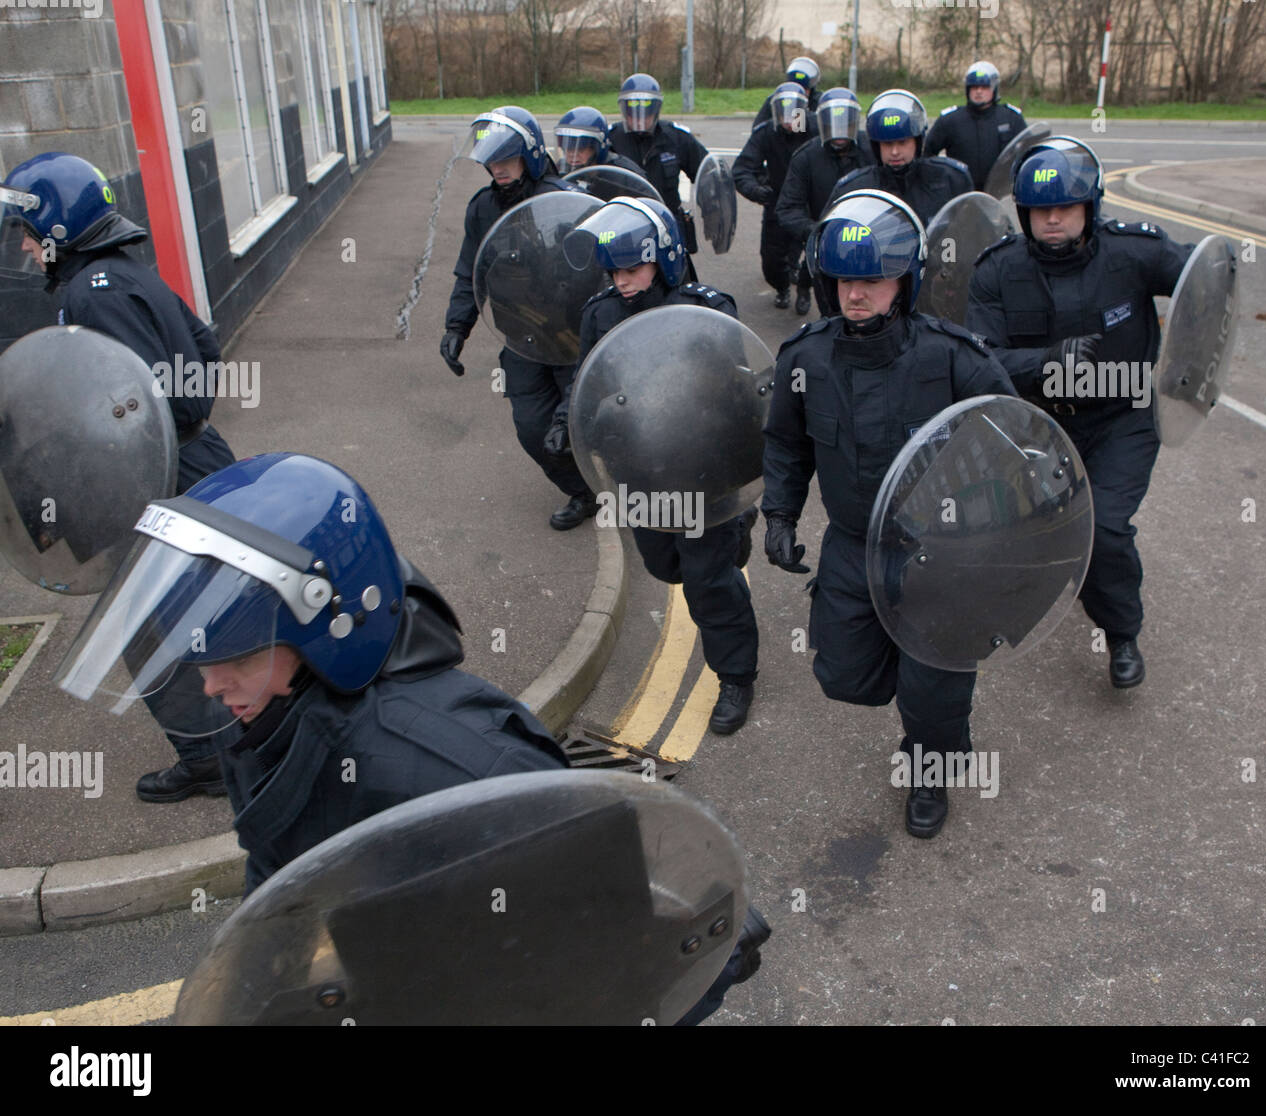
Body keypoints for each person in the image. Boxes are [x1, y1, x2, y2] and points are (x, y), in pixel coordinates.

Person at [54, 450, 766, 1022]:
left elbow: (622, 940)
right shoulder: (266, 719)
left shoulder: (465, 770)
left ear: (327, 629)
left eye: (233, 658)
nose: (210, 685)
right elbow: (280, 877)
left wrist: (697, 956)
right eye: (200, 661)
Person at [762, 190, 1016, 838]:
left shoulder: (954, 358)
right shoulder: (805, 359)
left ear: (906, 280)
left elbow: (1017, 442)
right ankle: (920, 691)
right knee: (843, 675)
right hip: (853, 544)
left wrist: (998, 544)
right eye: (846, 279)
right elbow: (787, 443)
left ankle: (928, 767)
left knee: (933, 692)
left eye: (873, 278)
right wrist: (781, 516)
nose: (857, 293)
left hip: (942, 555)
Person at [2, 151, 238, 804]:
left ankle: (211, 760)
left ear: (56, 224)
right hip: (194, 462)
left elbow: (131, 407)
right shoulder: (124, 274)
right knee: (200, 611)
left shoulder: (88, 293)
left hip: (155, 482)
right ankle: (243, 736)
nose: (22, 244)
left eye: (28, 229)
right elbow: (204, 347)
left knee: (146, 630)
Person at [967, 137, 1193, 689]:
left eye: (1065, 207)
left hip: (1124, 415)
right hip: (1041, 426)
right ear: (1023, 212)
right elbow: (980, 357)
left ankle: (1122, 634)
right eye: (1040, 209)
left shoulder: (1133, 252)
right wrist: (1046, 361)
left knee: (1105, 529)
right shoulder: (997, 271)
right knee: (1039, 531)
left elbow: (1202, 280)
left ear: (1089, 207)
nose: (1052, 219)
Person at [555, 197, 761, 735]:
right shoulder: (601, 313)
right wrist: (566, 420)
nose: (621, 281)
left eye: (632, 268)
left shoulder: (706, 311)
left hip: (702, 469)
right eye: (614, 271)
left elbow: (741, 394)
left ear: (664, 258)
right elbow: (586, 381)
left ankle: (735, 674)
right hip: (640, 468)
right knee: (662, 566)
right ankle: (735, 531)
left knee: (706, 579)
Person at [439, 106, 598, 531]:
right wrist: (457, 327)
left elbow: (594, 271)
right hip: (521, 338)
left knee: (586, 423)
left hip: (570, 337)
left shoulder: (562, 201)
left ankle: (621, 486)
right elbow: (469, 270)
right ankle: (582, 492)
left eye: (507, 159)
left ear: (528, 155)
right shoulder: (482, 208)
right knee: (532, 430)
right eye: (492, 161)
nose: (498, 169)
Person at [774, 87, 876, 317]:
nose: (839, 131)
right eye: (832, 122)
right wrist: (817, 232)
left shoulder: (873, 149)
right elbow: (787, 207)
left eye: (845, 122)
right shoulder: (806, 156)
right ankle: (803, 285)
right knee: (832, 312)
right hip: (826, 245)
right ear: (821, 122)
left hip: (873, 242)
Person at [827, 89, 973, 227]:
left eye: (903, 142)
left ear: (918, 141)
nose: (895, 151)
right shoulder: (854, 188)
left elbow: (970, 231)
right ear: (876, 146)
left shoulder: (950, 178)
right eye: (887, 144)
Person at [733, 81, 817, 310]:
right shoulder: (766, 133)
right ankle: (781, 286)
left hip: (811, 204)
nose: (789, 120)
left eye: (795, 113)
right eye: (784, 113)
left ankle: (803, 288)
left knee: (813, 252)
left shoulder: (815, 128)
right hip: (777, 203)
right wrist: (756, 190)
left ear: (804, 110)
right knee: (770, 261)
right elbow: (742, 169)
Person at [607, 74, 710, 260]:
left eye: (646, 110)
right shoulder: (611, 140)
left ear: (656, 109)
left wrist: (711, 205)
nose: (639, 117)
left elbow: (707, 173)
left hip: (667, 225)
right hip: (623, 229)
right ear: (624, 110)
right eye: (632, 110)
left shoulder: (675, 138)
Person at [924, 61, 1027, 192]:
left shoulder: (1011, 118)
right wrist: (939, 180)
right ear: (967, 89)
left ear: (994, 88)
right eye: (974, 87)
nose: (979, 91)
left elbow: (1027, 154)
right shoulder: (950, 120)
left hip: (1000, 195)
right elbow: (926, 154)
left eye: (984, 87)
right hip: (959, 194)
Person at [554, 106, 644, 175]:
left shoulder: (624, 173)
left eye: (580, 148)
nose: (572, 154)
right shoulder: (559, 171)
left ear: (598, 147)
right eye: (567, 148)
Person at [752, 56, 822, 130]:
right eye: (795, 88)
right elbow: (758, 128)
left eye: (804, 89)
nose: (799, 93)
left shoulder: (818, 101)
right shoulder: (775, 100)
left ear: (811, 89)